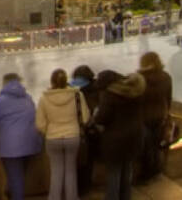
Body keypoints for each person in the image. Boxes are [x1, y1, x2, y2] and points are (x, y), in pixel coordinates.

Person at [37, 68, 89, 200]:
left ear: (52, 81)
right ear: (66, 80)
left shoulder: (44, 98)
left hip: (53, 138)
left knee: (56, 171)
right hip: (72, 136)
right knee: (70, 170)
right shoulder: (77, 95)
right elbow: (85, 117)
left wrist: (48, 132)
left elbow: (40, 124)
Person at [93, 69, 145, 200]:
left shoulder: (109, 95)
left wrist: (96, 114)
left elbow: (101, 118)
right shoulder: (135, 91)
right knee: (127, 172)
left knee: (114, 174)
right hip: (134, 137)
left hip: (115, 141)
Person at [0, 72, 40, 200]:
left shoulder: (1, 102)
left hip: (11, 148)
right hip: (30, 144)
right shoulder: (28, 98)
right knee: (19, 178)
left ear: (4, 83)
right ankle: (11, 194)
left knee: (15, 179)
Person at [137, 52, 173, 181]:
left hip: (144, 116)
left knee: (146, 146)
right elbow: (168, 99)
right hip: (160, 116)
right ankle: (156, 170)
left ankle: (145, 173)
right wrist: (167, 113)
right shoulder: (166, 77)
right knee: (156, 144)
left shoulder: (139, 78)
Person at [69, 65, 97, 196]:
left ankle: (79, 189)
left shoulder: (77, 92)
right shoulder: (96, 89)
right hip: (92, 131)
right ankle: (85, 187)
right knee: (88, 161)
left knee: (79, 162)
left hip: (79, 131)